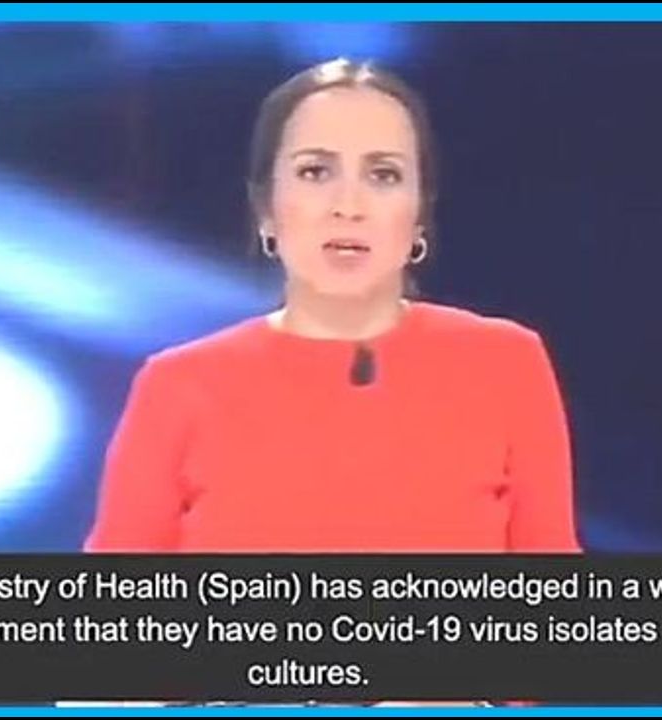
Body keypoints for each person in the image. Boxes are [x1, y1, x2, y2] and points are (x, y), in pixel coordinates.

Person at [83, 56, 581, 556]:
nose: (349, 205)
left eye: (383, 175)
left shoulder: (505, 365)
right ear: (266, 209)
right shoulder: (177, 387)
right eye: (315, 171)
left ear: (419, 216)